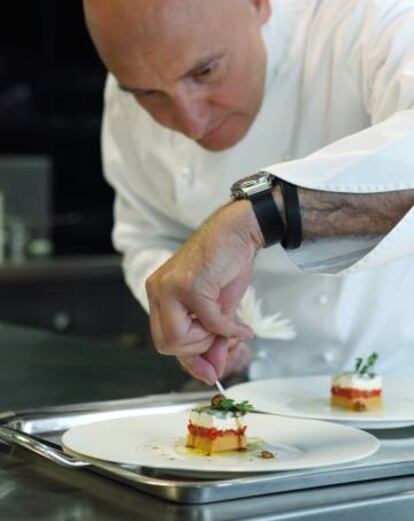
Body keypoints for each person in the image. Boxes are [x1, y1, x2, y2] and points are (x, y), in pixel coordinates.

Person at [83, 0, 414, 385]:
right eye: (149, 95)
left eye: (205, 72)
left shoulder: (367, 20)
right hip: (248, 395)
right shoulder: (130, 84)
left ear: (258, 5)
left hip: (399, 389)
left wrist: (255, 218)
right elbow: (148, 233)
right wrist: (191, 315)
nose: (191, 122)